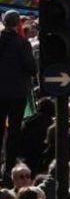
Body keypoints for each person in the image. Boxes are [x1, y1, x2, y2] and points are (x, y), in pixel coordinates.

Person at [0, 10, 37, 186]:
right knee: (14, 131)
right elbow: (31, 67)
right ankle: (8, 167)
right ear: (17, 25)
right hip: (16, 93)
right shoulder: (22, 44)